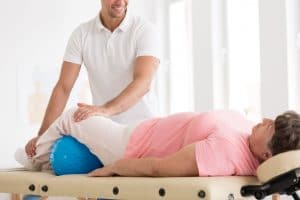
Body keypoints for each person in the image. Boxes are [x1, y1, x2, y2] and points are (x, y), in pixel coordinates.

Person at [25, 0, 161, 158]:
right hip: (104, 132)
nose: (121, 1)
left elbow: (143, 82)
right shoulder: (82, 33)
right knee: (62, 155)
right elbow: (63, 87)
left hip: (142, 130)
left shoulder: (145, 30)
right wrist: (42, 136)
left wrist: (105, 109)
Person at [16, 108, 300, 177]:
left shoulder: (225, 154)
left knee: (73, 116)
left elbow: (158, 169)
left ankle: (33, 157)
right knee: (86, 118)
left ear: (266, 154)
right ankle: (42, 155)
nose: (262, 119)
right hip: (142, 129)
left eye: (269, 126)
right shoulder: (251, 139)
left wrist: (114, 168)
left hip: (129, 145)